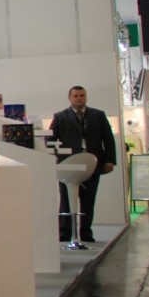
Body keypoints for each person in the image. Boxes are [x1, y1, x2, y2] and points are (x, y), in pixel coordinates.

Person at [49, 85, 116, 243]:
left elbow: (108, 139)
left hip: (92, 164)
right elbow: (50, 140)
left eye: (82, 95)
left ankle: (86, 233)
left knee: (88, 200)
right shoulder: (60, 117)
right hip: (68, 165)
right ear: (69, 98)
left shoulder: (98, 115)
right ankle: (65, 232)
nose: (79, 98)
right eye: (76, 96)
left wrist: (110, 160)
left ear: (86, 97)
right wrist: (55, 158)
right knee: (66, 200)